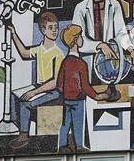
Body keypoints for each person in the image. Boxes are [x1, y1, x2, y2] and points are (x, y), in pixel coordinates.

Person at [16, 24, 104, 153]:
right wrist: (96, 95)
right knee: (77, 123)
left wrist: (64, 93)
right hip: (78, 99)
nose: (54, 31)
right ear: (76, 40)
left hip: (64, 97)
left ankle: (62, 146)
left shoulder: (63, 58)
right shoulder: (81, 63)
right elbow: (85, 85)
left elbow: (59, 83)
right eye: (80, 36)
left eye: (56, 28)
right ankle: (78, 146)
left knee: (65, 123)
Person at [9, 11, 65, 149]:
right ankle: (20, 128)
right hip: (39, 87)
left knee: (25, 102)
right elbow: (23, 53)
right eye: (51, 28)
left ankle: (24, 136)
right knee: (14, 95)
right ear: (43, 30)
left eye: (56, 28)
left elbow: (55, 82)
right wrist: (14, 34)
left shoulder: (58, 53)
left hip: (54, 91)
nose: (54, 31)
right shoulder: (39, 49)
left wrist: (34, 92)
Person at [71, 0, 134, 70]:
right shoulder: (80, 8)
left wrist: (131, 51)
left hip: (110, 59)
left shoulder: (115, 5)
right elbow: (78, 40)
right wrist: (100, 45)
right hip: (88, 60)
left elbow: (121, 33)